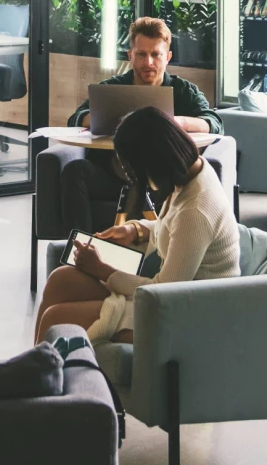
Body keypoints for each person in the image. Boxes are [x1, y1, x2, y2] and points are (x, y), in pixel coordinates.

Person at [35, 106, 240, 345]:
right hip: (173, 296)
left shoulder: (197, 209)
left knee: (55, 318)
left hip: (189, 314)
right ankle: (34, 374)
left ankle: (37, 376)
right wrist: (136, 230)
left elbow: (164, 289)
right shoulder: (193, 172)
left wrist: (102, 269)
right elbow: (174, 228)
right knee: (61, 280)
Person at [62, 17, 223, 232]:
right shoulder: (112, 88)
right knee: (75, 170)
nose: (148, 63)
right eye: (141, 54)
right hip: (115, 177)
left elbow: (214, 123)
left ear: (168, 57)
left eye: (155, 55)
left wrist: (175, 122)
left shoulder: (184, 91)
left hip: (164, 180)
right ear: (130, 56)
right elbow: (76, 118)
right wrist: (101, 117)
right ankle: (79, 251)